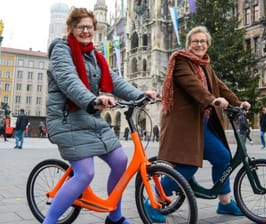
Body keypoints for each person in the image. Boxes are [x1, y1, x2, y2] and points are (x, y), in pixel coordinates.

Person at [43, 7, 156, 224]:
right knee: (85, 173)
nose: (85, 30)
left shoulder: (95, 56)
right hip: (67, 117)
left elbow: (114, 81)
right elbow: (69, 81)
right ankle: (49, 221)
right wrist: (93, 100)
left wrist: (140, 95)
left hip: (89, 117)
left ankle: (115, 217)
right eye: (80, 27)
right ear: (72, 28)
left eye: (89, 27)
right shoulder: (61, 49)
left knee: (121, 160)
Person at [151, 26, 250, 222]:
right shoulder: (181, 61)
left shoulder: (205, 65)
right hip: (183, 126)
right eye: (195, 41)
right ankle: (153, 201)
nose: (199, 44)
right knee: (188, 166)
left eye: (203, 41)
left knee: (222, 157)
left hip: (201, 124)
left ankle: (225, 203)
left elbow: (219, 86)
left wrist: (238, 103)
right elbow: (192, 85)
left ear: (207, 44)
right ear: (189, 44)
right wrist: (212, 101)